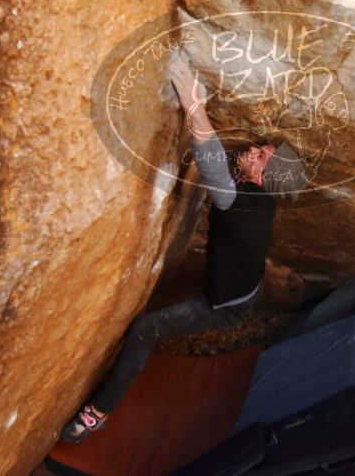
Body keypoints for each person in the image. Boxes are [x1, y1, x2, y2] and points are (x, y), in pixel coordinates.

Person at [60, 54, 308, 443]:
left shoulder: (246, 207)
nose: (256, 147)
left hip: (224, 307)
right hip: (244, 280)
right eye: (262, 147)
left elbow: (212, 168)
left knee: (144, 331)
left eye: (261, 155)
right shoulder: (257, 198)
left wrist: (194, 104)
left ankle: (99, 412)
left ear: (262, 176)